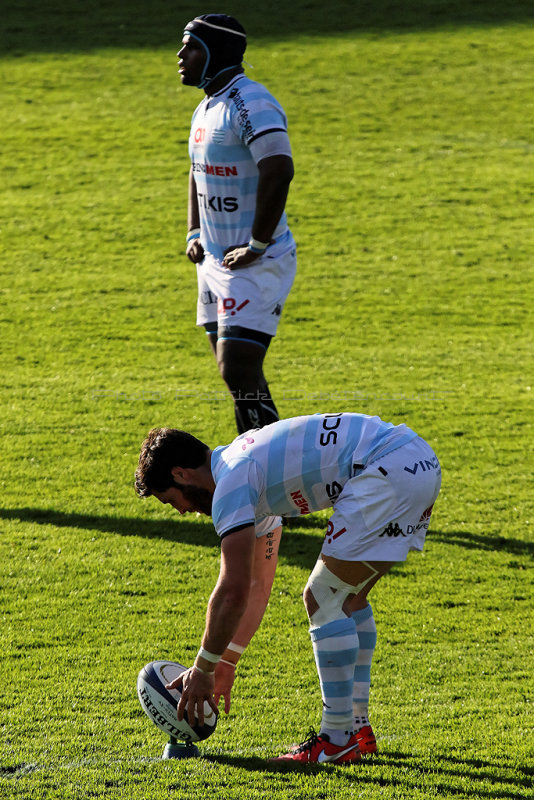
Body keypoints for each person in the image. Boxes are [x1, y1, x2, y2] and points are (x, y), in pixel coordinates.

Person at [135, 411, 442, 764]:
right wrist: (227, 659)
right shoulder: (243, 468)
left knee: (324, 595)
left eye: (172, 500)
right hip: (415, 461)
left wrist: (203, 668)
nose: (182, 511)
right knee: (348, 599)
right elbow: (257, 583)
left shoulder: (232, 482)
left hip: (387, 468)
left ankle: (337, 738)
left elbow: (232, 589)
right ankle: (356, 732)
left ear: (180, 474)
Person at [177, 14, 297, 434]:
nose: (180, 55)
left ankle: (272, 468)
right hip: (215, 261)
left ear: (216, 53)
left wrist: (258, 244)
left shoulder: (252, 102)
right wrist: (194, 232)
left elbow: (279, 169)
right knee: (238, 380)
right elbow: (197, 169)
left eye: (191, 46)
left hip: (255, 261)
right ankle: (259, 468)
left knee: (238, 368)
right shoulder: (206, 107)